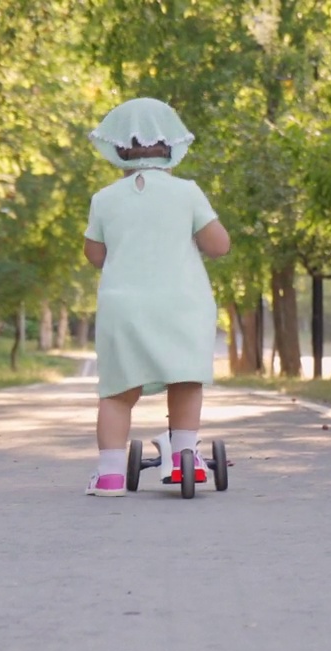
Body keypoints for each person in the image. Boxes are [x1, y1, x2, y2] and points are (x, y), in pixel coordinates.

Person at [81, 98, 231, 497]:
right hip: (182, 304)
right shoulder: (187, 193)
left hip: (124, 308)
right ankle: (185, 456)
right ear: (172, 149)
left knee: (117, 392)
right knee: (185, 378)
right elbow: (219, 246)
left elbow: (95, 256)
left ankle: (110, 473)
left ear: (118, 152)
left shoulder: (104, 199)